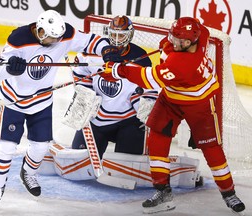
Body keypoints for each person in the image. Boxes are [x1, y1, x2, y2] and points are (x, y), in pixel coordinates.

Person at [100, 17, 245, 214]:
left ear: (189, 43)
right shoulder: (200, 35)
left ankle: (229, 193)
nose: (173, 42)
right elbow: (201, 28)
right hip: (170, 100)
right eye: (173, 37)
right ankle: (162, 191)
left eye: (179, 41)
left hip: (199, 105)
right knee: (157, 140)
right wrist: (169, 45)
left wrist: (117, 70)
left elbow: (148, 78)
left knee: (212, 149)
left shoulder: (182, 64)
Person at [0, 9, 109, 208]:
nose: (53, 42)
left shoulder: (64, 34)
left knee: (41, 147)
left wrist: (105, 50)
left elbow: (90, 40)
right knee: (6, 148)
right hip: (14, 102)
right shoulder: (19, 38)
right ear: (40, 30)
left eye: (56, 38)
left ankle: (28, 173)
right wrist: (9, 68)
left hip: (41, 101)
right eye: (49, 38)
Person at [70, 15, 159, 158]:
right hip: (95, 118)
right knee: (78, 157)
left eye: (121, 36)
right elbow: (80, 71)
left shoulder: (140, 58)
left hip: (127, 122)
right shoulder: (95, 51)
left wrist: (144, 107)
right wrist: (86, 94)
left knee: (127, 163)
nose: (117, 39)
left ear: (130, 35)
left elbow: (149, 86)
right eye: (114, 34)